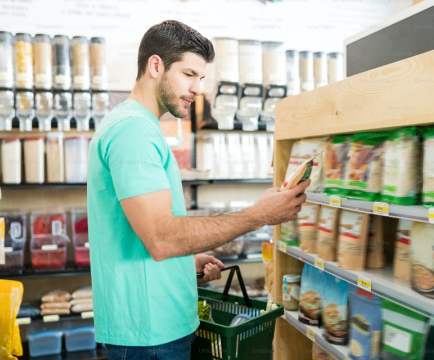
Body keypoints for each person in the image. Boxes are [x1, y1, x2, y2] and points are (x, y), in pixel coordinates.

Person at [87, 20, 309, 360]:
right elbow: (161, 239)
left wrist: (185, 263)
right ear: (156, 65)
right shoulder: (133, 130)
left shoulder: (141, 126)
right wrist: (258, 216)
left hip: (159, 326)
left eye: (201, 78)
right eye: (189, 74)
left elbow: (147, 236)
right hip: (148, 334)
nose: (197, 88)